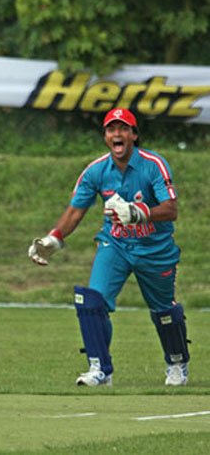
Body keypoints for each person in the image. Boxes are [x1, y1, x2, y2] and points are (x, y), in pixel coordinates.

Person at [28, 108, 189, 388]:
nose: (117, 134)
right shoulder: (96, 170)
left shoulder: (154, 164)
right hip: (115, 243)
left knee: (164, 310)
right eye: (111, 129)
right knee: (92, 300)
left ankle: (177, 362)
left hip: (155, 248)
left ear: (134, 135)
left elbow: (171, 210)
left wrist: (138, 213)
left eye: (123, 128)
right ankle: (100, 370)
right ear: (105, 136)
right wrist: (54, 239)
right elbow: (76, 211)